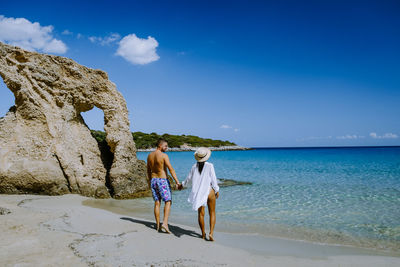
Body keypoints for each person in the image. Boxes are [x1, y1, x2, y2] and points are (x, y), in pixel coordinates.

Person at [180, 147, 220, 241]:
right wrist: (217, 190)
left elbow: (188, 179)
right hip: (209, 191)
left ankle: (203, 234)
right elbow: (214, 180)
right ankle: (211, 233)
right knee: (212, 213)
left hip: (199, 194)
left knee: (201, 214)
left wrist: (182, 185)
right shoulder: (210, 165)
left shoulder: (194, 167)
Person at [147, 138, 180, 233]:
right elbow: (171, 169)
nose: (167, 148)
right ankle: (165, 223)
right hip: (162, 180)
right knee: (168, 201)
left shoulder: (149, 156)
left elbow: (148, 171)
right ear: (160, 146)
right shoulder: (163, 155)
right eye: (165, 146)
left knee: (157, 202)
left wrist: (150, 182)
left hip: (153, 180)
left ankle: (157, 225)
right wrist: (177, 182)